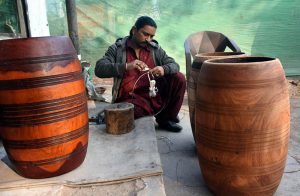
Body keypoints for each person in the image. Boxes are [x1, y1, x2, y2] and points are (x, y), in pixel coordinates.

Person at [94, 16, 186, 132]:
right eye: (145, 34)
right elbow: (99, 68)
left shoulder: (155, 49)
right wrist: (127, 66)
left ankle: (166, 119)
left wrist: (163, 69)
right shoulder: (117, 49)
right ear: (134, 30)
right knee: (128, 113)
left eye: (152, 36)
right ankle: (155, 113)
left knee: (179, 78)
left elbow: (174, 65)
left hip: (153, 94)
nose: (148, 39)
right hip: (130, 98)